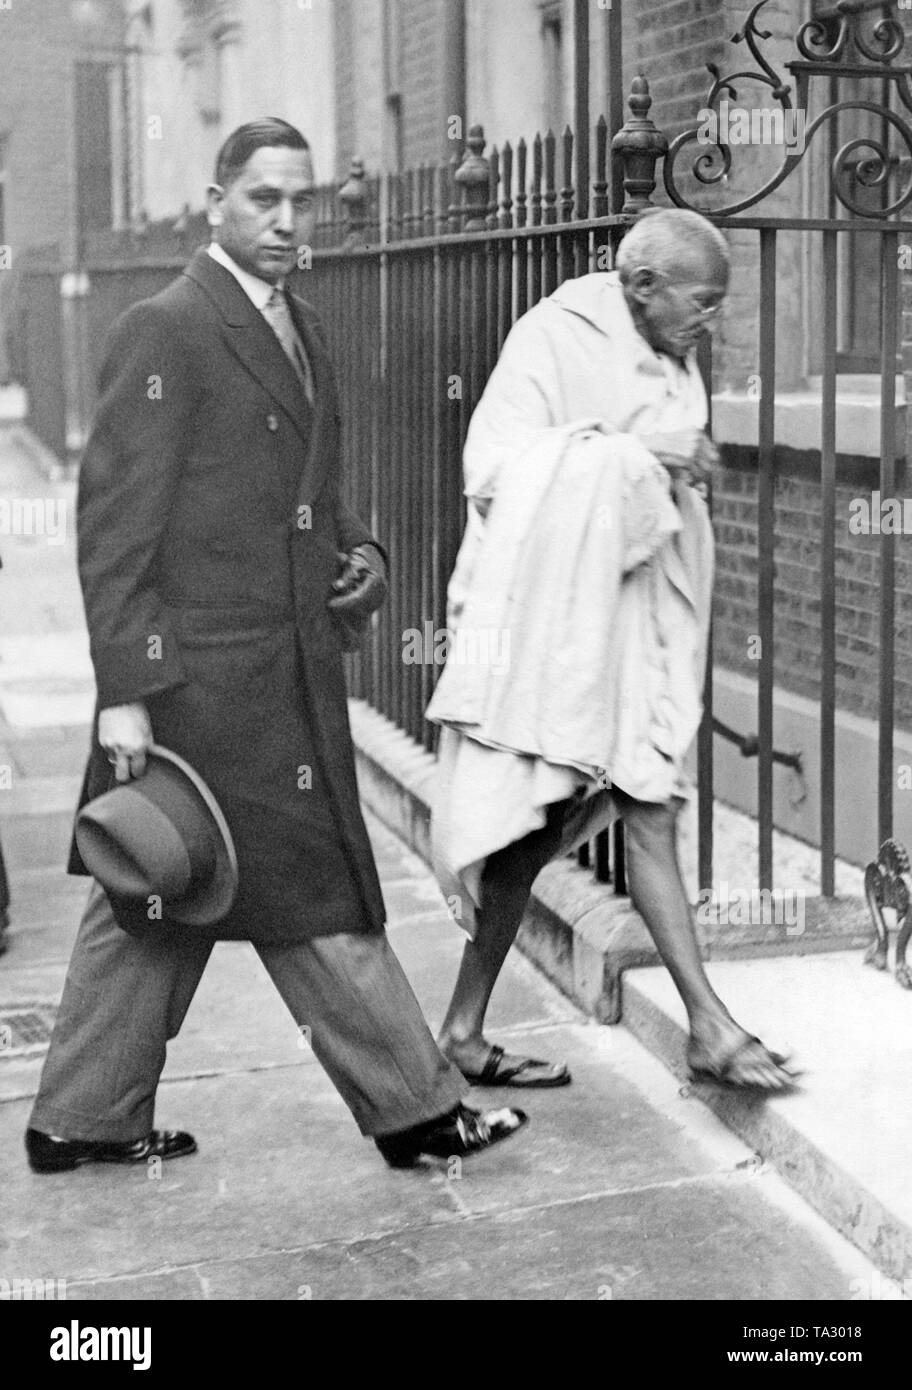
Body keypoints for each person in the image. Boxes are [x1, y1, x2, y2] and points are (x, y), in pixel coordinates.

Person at [25, 118, 525, 1175]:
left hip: (282, 663)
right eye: (265, 199)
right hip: (202, 679)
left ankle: (80, 1115)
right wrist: (125, 690)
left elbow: (315, 500)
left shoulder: (301, 322)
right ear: (217, 202)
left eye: (301, 200)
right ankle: (418, 1107)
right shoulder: (165, 328)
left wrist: (364, 559)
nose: (290, 220)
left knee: (157, 891)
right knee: (311, 893)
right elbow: (114, 526)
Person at [427, 208, 797, 1094]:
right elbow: (494, 475)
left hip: (640, 618)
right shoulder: (553, 336)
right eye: (701, 304)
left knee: (649, 800)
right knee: (537, 823)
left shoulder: (672, 350)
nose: (712, 323)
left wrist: (663, 465)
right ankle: (466, 1029)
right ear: (640, 286)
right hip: (553, 628)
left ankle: (705, 1025)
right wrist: (643, 456)